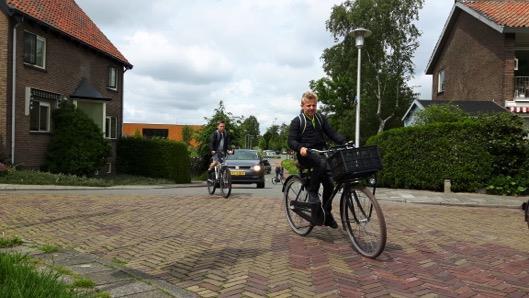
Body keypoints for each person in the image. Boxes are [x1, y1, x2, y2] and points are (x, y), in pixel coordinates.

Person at [287, 91, 346, 229]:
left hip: (320, 152)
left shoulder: (320, 118)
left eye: (314, 105)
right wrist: (300, 147)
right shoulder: (297, 121)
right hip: (305, 155)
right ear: (302, 105)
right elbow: (291, 140)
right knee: (321, 163)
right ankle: (313, 190)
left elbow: (331, 133)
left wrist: (344, 142)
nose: (312, 108)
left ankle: (327, 214)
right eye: (309, 105)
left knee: (330, 184)